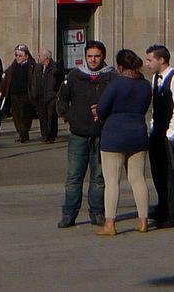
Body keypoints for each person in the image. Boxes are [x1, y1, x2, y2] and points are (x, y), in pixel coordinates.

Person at [94, 48, 153, 236]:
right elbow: (144, 108)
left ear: (120, 66)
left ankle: (110, 224)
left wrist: (99, 113)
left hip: (114, 134)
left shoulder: (116, 83)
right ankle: (143, 220)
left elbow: (102, 108)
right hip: (138, 133)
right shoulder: (145, 85)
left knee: (112, 182)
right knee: (138, 179)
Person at [54, 40, 112, 228]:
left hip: (102, 134)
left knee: (99, 177)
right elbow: (61, 100)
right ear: (85, 57)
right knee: (74, 176)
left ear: (103, 56)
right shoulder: (74, 76)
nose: (93, 60)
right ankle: (69, 214)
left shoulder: (111, 77)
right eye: (90, 56)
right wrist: (69, 116)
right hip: (78, 134)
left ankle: (97, 212)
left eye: (97, 56)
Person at [146, 44, 174, 228]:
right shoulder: (156, 77)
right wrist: (154, 126)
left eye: (150, 60)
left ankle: (173, 214)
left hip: (170, 132)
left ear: (161, 60)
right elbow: (156, 107)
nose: (147, 63)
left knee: (170, 171)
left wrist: (171, 134)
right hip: (158, 130)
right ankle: (162, 206)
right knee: (158, 170)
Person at [0, 44, 35, 141]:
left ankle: (24, 133)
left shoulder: (32, 66)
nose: (17, 58)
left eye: (20, 56)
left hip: (25, 94)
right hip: (14, 94)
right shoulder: (14, 66)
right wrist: (0, 89)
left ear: (26, 56)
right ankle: (20, 132)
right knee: (16, 115)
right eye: (16, 55)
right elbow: (6, 77)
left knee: (25, 115)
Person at [30, 47, 65, 143]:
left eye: (40, 56)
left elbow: (59, 82)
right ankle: (44, 135)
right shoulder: (38, 67)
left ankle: (51, 136)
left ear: (46, 57)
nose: (38, 57)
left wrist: (56, 93)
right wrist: (34, 93)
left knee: (51, 117)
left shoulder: (55, 68)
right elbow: (34, 81)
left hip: (51, 96)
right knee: (42, 117)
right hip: (40, 96)